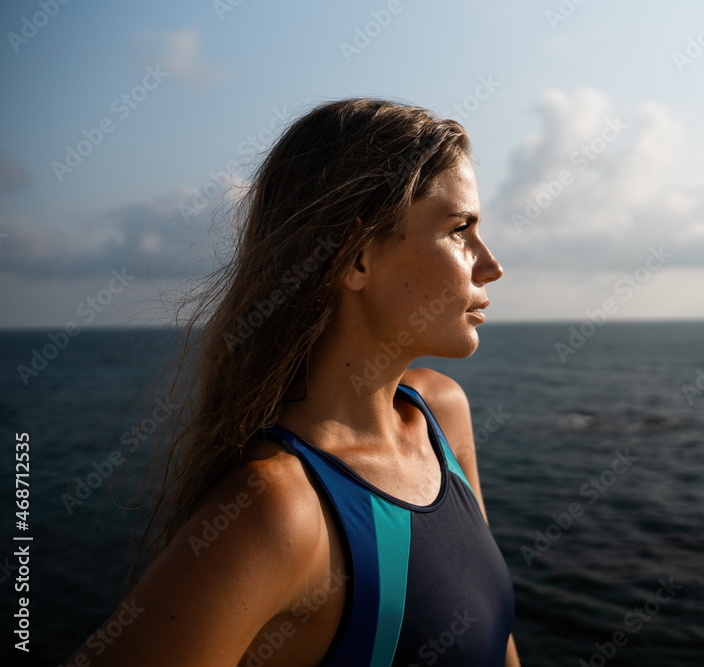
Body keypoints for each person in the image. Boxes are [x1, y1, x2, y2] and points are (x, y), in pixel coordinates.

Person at [68, 98, 519, 666]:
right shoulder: (279, 510)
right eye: (460, 230)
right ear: (354, 259)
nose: (491, 263)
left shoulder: (441, 413)